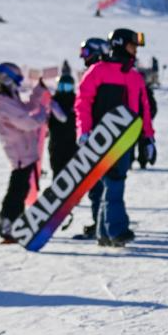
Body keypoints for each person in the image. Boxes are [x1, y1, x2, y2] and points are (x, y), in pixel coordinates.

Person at [75, 28, 156, 247]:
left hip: (125, 139)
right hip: (101, 137)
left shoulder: (134, 76)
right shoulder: (98, 71)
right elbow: (83, 103)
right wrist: (84, 132)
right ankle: (117, 230)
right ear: (121, 44)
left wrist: (148, 138)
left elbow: (143, 109)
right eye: (133, 45)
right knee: (114, 182)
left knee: (111, 184)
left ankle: (103, 233)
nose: (135, 50)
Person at [0, 62, 54, 241]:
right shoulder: (2, 102)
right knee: (17, 188)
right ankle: (7, 222)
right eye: (15, 80)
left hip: (25, 148)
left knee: (22, 187)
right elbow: (26, 122)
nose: (17, 84)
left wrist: (38, 92)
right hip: (18, 150)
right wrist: (43, 115)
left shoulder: (10, 97)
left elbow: (26, 109)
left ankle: (15, 221)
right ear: (5, 78)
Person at [76, 37, 111, 239]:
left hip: (99, 136)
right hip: (97, 135)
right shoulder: (97, 72)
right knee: (98, 183)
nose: (83, 57)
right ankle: (101, 222)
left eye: (86, 52)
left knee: (100, 183)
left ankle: (102, 224)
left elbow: (86, 105)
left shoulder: (98, 73)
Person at [47, 61, 77, 178]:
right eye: (61, 86)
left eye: (68, 87)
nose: (64, 90)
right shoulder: (53, 101)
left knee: (71, 174)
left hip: (71, 143)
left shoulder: (75, 101)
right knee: (57, 172)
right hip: (56, 143)